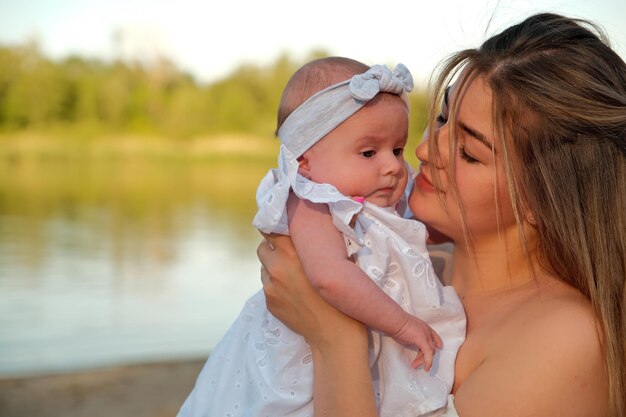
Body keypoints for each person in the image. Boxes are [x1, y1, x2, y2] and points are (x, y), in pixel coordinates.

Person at [258, 12, 626, 417]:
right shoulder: (404, 264)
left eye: (468, 153)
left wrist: (335, 340)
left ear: (542, 199)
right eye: (442, 118)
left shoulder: (565, 340)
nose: (424, 151)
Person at [177, 59, 466, 417]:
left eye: (396, 149)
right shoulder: (312, 203)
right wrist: (403, 324)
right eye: (368, 152)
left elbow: (414, 233)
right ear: (304, 161)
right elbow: (329, 276)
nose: (392, 166)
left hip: (364, 345)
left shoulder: (375, 197)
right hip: (302, 358)